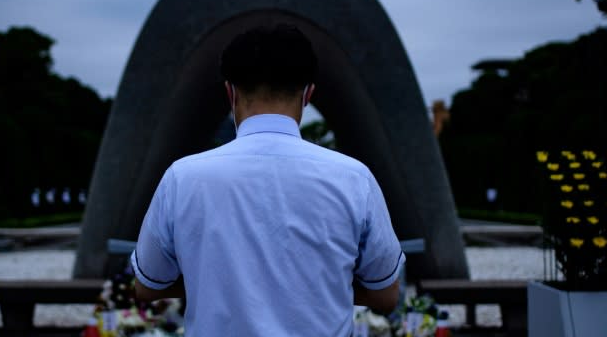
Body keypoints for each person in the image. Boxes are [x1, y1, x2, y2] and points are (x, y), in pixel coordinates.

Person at [131, 23, 405, 336]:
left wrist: (214, 284)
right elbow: (386, 295)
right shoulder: (355, 178)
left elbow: (147, 286)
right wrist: (319, 288)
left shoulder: (182, 177)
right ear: (308, 94)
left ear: (230, 92)